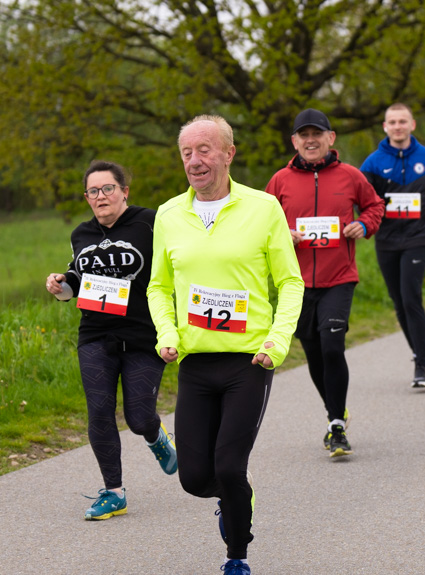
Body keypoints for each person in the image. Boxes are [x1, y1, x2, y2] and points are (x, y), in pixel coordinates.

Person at [147, 115, 303, 575]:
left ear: (229, 153)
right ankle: (231, 499)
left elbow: (290, 283)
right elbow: (158, 286)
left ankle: (237, 554)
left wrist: (277, 342)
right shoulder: (169, 214)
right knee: (195, 479)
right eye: (186, 153)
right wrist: (168, 334)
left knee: (231, 467)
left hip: (249, 361)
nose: (195, 161)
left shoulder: (264, 208)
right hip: (196, 362)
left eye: (204, 150)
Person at [45, 160, 177, 521]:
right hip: (95, 334)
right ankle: (114, 492)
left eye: (108, 189)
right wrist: (60, 285)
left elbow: (175, 262)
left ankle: (156, 436)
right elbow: (75, 279)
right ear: (86, 197)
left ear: (124, 191)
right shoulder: (81, 234)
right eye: (93, 191)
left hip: (141, 334)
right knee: (100, 412)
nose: (101, 196)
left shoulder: (151, 222)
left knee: (138, 416)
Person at [265, 108, 384, 457]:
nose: (310, 140)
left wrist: (363, 226)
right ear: (294, 142)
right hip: (296, 282)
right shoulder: (279, 181)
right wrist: (283, 234)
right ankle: (336, 409)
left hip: (338, 277)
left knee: (332, 346)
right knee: (314, 351)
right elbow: (262, 223)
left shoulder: (350, 176)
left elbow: (374, 206)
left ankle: (335, 423)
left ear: (331, 138)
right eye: (304, 135)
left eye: (317, 133)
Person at [359, 103, 425, 388]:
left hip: (418, 236)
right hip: (386, 239)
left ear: (412, 125)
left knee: (411, 297)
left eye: (403, 121)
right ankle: (420, 350)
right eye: (392, 122)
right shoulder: (373, 162)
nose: (398, 126)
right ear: (385, 127)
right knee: (398, 301)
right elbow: (361, 197)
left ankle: (421, 367)